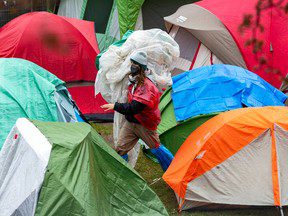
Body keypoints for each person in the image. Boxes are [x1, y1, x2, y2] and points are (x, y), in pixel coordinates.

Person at [101, 51, 161, 156]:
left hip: (145, 125)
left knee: (156, 149)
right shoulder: (134, 81)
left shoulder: (147, 86)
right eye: (132, 62)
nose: (133, 66)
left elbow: (134, 108)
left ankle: (172, 168)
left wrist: (115, 106)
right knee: (120, 148)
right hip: (131, 122)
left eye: (136, 64)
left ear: (141, 68)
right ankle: (119, 169)